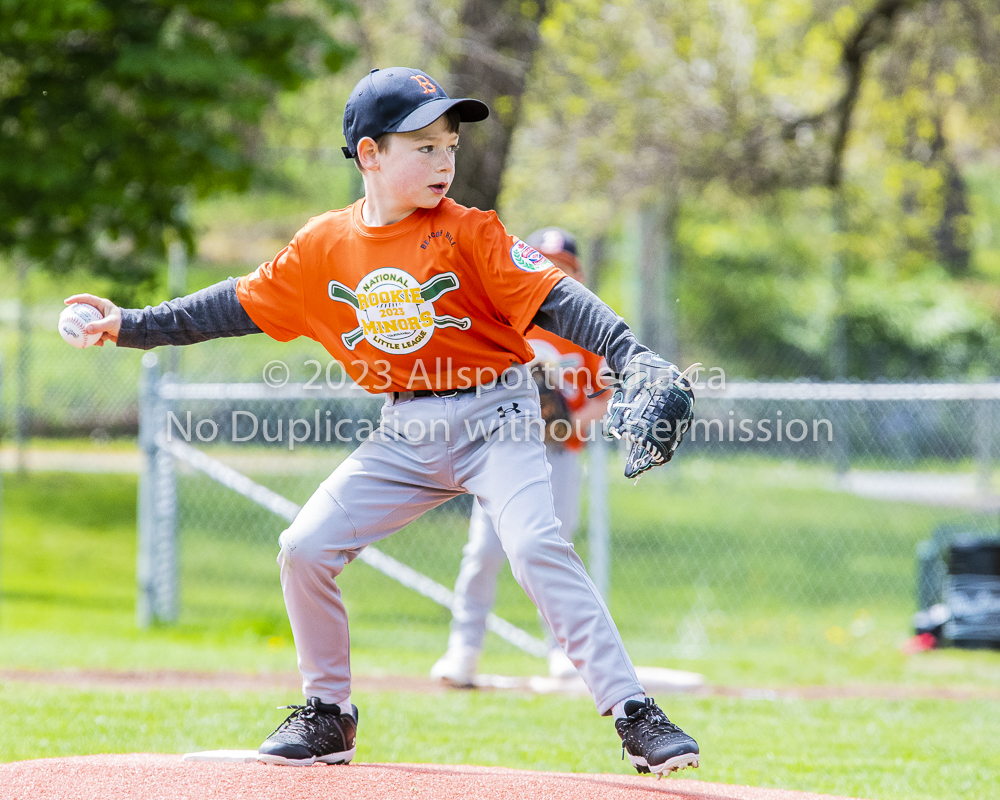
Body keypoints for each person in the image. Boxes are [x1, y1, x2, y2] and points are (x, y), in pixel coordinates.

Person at [66, 67, 699, 777]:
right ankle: (328, 714)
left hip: (498, 414)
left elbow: (556, 298)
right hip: (406, 430)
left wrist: (628, 354)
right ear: (370, 154)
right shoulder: (323, 246)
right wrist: (127, 325)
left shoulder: (469, 232)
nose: (445, 160)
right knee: (304, 546)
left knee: (533, 545)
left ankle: (634, 713)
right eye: (423, 146)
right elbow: (230, 306)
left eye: (450, 144)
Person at [430, 226, 608, 685]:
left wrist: (572, 423)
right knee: (484, 553)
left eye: (563, 266)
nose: (554, 270)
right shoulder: (505, 319)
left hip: (559, 456)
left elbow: (604, 394)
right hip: (502, 452)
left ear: (577, 273)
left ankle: (563, 655)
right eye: (545, 262)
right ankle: (464, 651)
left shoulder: (587, 328)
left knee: (552, 554)